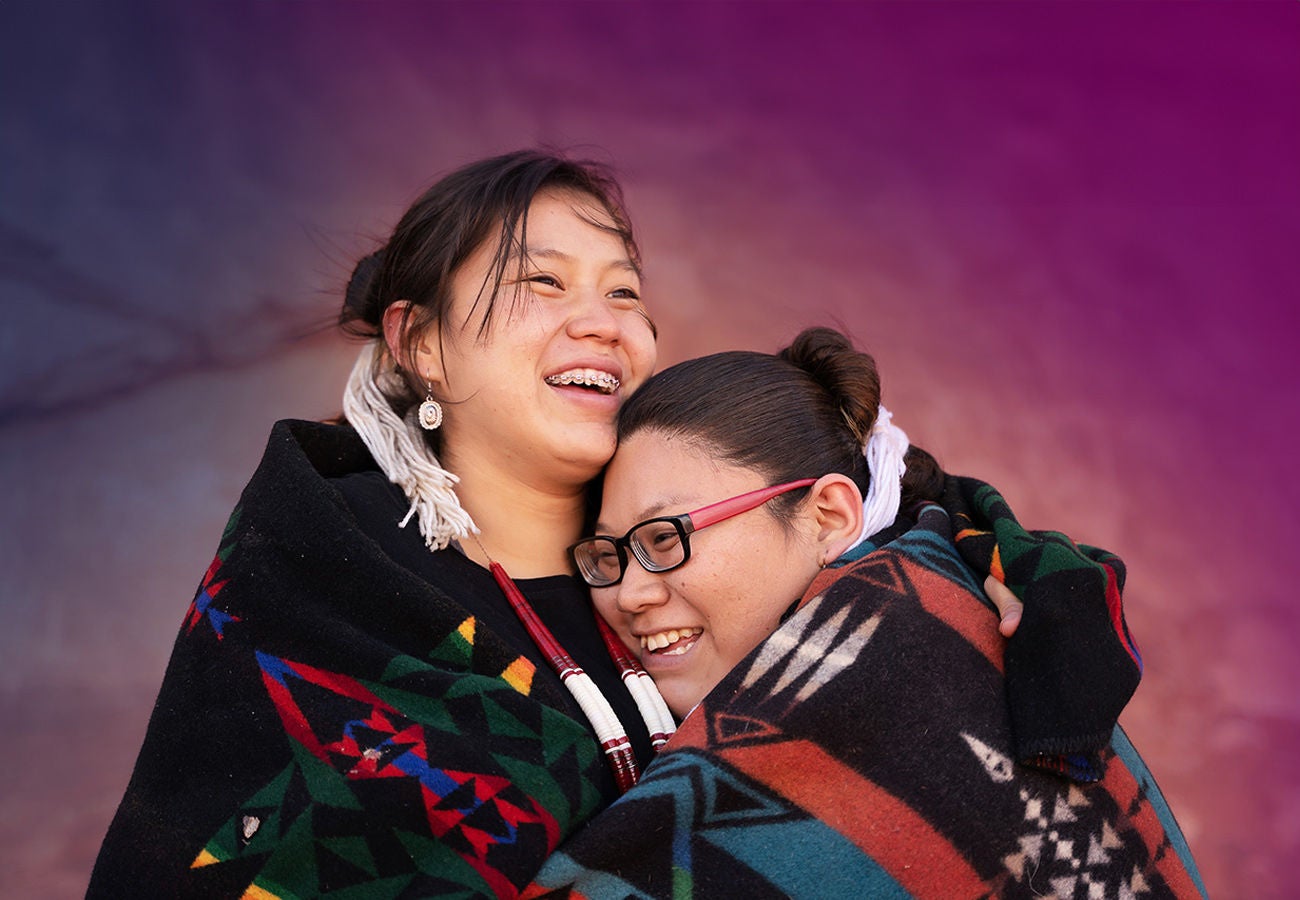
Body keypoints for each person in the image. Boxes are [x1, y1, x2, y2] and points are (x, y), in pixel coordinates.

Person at [89, 151, 1116, 899]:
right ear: (421, 345)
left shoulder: (696, 555)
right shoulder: (323, 593)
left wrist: (1007, 561)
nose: (604, 320)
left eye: (624, 290)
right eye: (542, 282)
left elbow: (883, 507)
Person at [532, 327, 1205, 898]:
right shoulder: (937, 599)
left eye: (663, 539)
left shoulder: (894, 666)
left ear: (829, 515)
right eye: (607, 556)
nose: (629, 594)